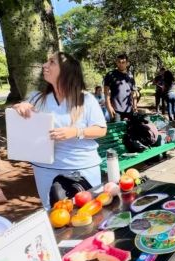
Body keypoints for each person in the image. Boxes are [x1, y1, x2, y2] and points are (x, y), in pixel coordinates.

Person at [13, 52, 107, 209]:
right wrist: (19, 107)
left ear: (66, 71)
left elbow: (101, 129)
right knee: (55, 217)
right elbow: (19, 119)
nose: (44, 65)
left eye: (51, 62)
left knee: (89, 213)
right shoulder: (36, 98)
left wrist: (76, 132)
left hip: (82, 168)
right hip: (45, 170)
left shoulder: (86, 99)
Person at [103, 54, 139, 121]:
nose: (121, 64)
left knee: (130, 130)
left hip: (129, 109)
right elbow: (106, 92)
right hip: (116, 110)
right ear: (116, 62)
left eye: (123, 62)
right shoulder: (110, 75)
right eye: (119, 62)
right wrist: (109, 107)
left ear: (127, 63)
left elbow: (133, 93)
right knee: (117, 130)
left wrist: (135, 107)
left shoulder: (130, 76)